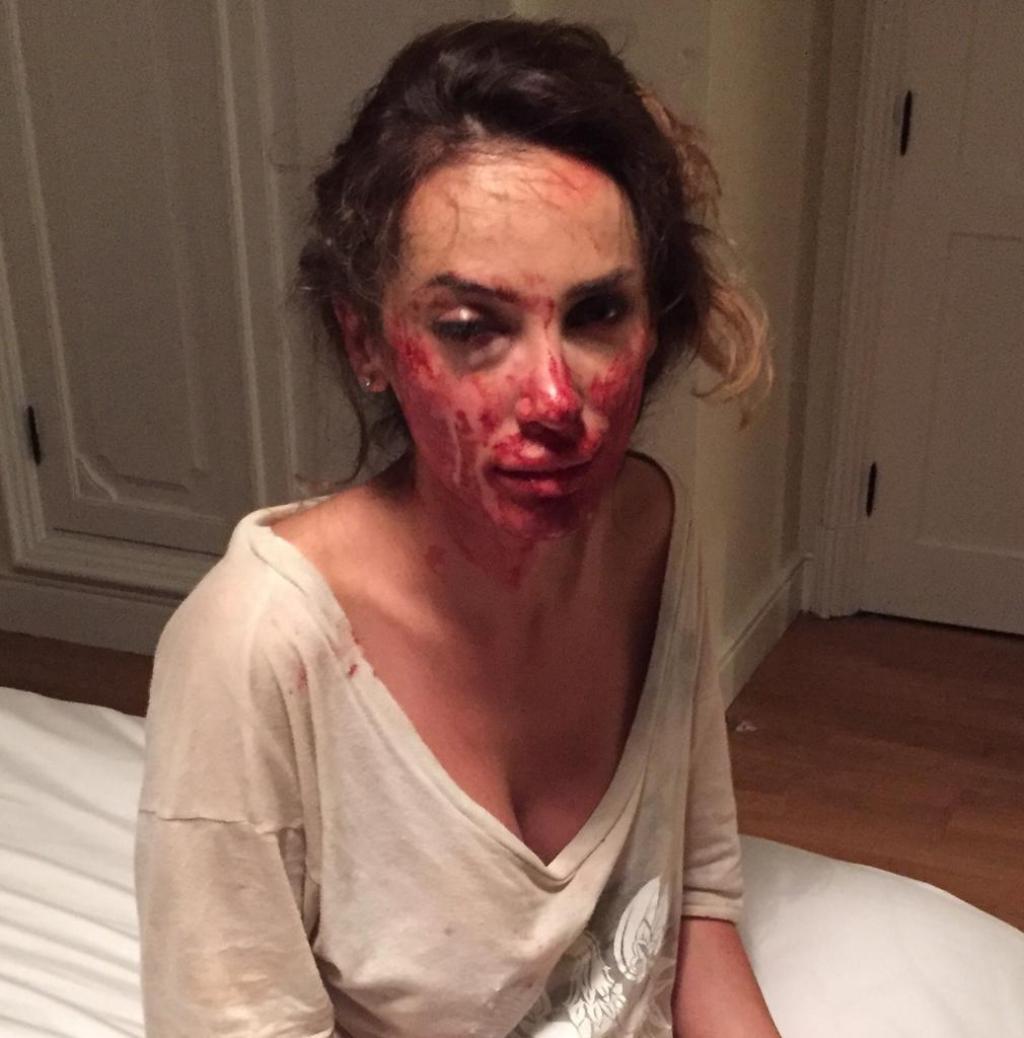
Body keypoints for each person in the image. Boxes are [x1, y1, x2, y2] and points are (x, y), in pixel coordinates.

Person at [134, 17, 780, 1038]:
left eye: (597, 315)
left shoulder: (650, 529)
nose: (556, 399)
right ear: (366, 342)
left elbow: (693, 897)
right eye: (473, 327)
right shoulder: (256, 649)